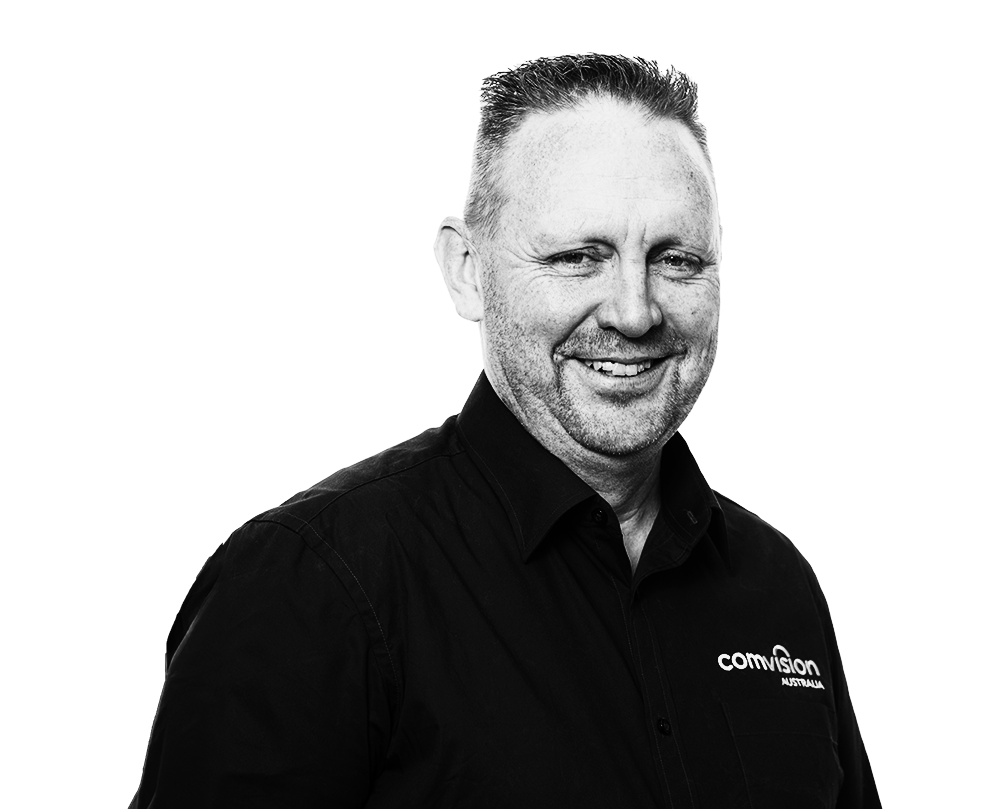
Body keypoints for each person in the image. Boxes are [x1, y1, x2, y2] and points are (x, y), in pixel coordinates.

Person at [132, 54, 881, 808]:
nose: (634, 312)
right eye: (578, 257)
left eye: (677, 259)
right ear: (467, 270)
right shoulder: (305, 584)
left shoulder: (777, 587)